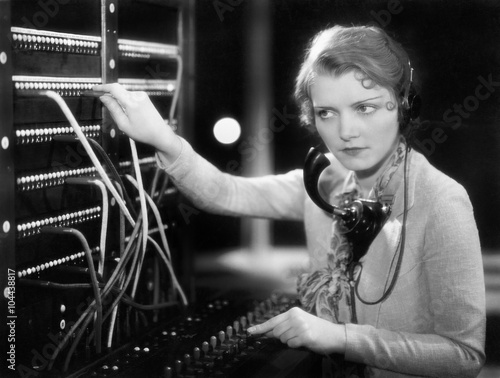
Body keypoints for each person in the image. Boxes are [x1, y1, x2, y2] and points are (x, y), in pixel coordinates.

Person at [94, 25, 485, 378]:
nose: (346, 132)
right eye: (326, 113)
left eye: (364, 108)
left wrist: (342, 337)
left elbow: (463, 355)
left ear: (403, 105)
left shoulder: (442, 201)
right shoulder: (325, 180)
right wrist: (162, 138)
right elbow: (225, 192)